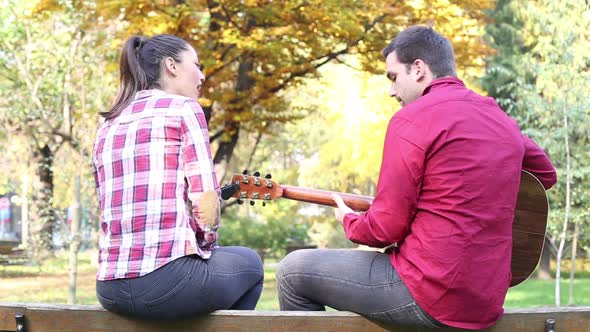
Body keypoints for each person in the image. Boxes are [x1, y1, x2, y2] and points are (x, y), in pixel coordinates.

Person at [276, 26, 557, 330]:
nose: (391, 91)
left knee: (292, 271)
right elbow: (545, 175)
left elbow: (384, 229)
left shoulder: (412, 119)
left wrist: (350, 221)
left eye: (394, 77)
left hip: (429, 295)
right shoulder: (497, 117)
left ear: (419, 69)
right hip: (486, 300)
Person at [92, 34, 264, 320]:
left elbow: (108, 203)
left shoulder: (108, 123)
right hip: (163, 283)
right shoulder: (184, 109)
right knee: (250, 265)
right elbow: (206, 201)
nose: (202, 75)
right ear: (171, 65)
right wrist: (206, 244)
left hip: (110, 287)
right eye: (196, 65)